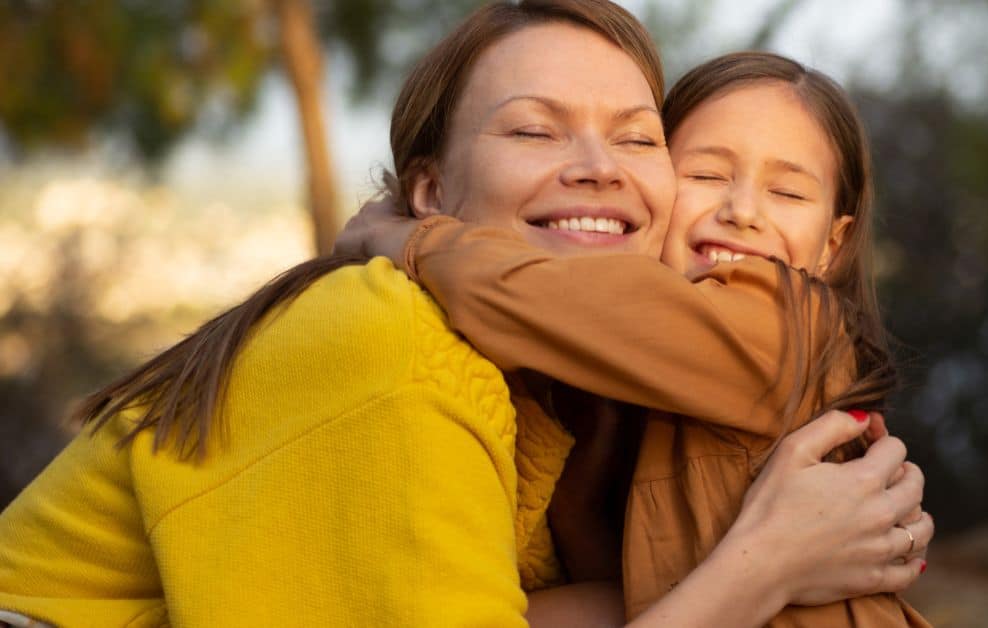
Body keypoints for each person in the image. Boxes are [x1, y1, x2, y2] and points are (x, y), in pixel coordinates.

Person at [0, 2, 928, 627]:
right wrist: (769, 563)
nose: (600, 165)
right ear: (430, 191)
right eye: (533, 128)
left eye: (637, 138)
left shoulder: (570, 400)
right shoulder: (389, 347)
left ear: (837, 240)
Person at [338, 49, 931, 626]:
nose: (742, 210)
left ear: (833, 243)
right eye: (706, 174)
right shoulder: (616, 379)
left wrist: (402, 237)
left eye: (789, 193)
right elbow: (642, 591)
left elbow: (535, 296)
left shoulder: (786, 321)